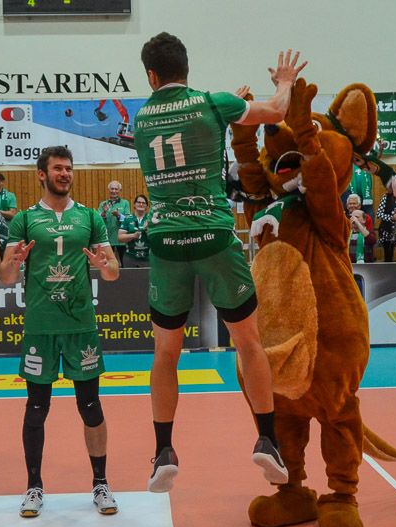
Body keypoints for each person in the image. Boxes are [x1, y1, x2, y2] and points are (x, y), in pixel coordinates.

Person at [134, 33, 303, 491]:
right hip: (213, 235)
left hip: (166, 241)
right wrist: (284, 81)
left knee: (165, 352)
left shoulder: (141, 118)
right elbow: (277, 110)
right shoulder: (214, 102)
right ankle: (267, 441)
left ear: (151, 75)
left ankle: (163, 452)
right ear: (187, 67)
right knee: (249, 343)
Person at [0, 146, 121, 517]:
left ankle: (101, 483)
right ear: (42, 174)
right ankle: (34, 487)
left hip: (80, 324)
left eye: (68, 168)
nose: (65, 173)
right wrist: (14, 263)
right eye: (57, 168)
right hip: (41, 327)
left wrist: (103, 264)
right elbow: (6, 277)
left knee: (90, 405)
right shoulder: (24, 219)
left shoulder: (89, 216)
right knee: (36, 408)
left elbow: (113, 272)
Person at [98, 181, 131, 267]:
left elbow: (128, 220)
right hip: (107, 240)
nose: (114, 191)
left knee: (124, 265)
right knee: (108, 266)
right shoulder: (103, 204)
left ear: (120, 190)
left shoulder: (125, 203)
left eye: (116, 189)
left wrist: (119, 215)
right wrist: (104, 213)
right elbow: (98, 220)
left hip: (121, 240)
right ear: (109, 190)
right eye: (112, 189)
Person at [117, 193, 152, 267]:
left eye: (143, 203)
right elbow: (120, 238)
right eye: (139, 202)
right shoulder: (127, 219)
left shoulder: (150, 219)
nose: (141, 204)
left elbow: (156, 240)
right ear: (134, 204)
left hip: (147, 258)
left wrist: (147, 230)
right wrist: (133, 235)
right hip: (130, 258)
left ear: (146, 206)